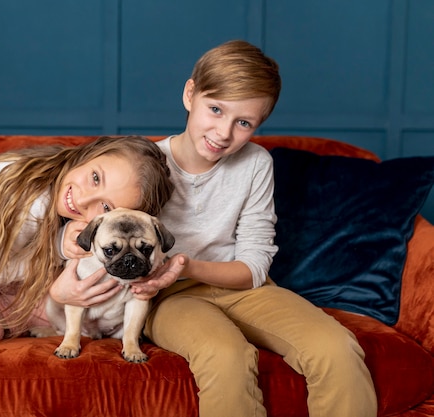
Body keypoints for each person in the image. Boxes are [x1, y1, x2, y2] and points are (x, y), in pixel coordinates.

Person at [63, 40, 378, 416]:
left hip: (242, 286)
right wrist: (64, 245)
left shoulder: (256, 164)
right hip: (169, 299)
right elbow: (89, 225)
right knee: (226, 354)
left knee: (335, 347)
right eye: (215, 109)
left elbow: (256, 262)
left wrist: (184, 266)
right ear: (190, 94)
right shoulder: (143, 165)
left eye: (243, 122)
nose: (224, 133)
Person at [0, 135, 174, 359]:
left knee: (86, 308)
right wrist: (58, 249)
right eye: (95, 178)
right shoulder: (22, 191)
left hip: (17, 287)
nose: (85, 198)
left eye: (106, 207)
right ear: (89, 154)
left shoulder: (87, 224)